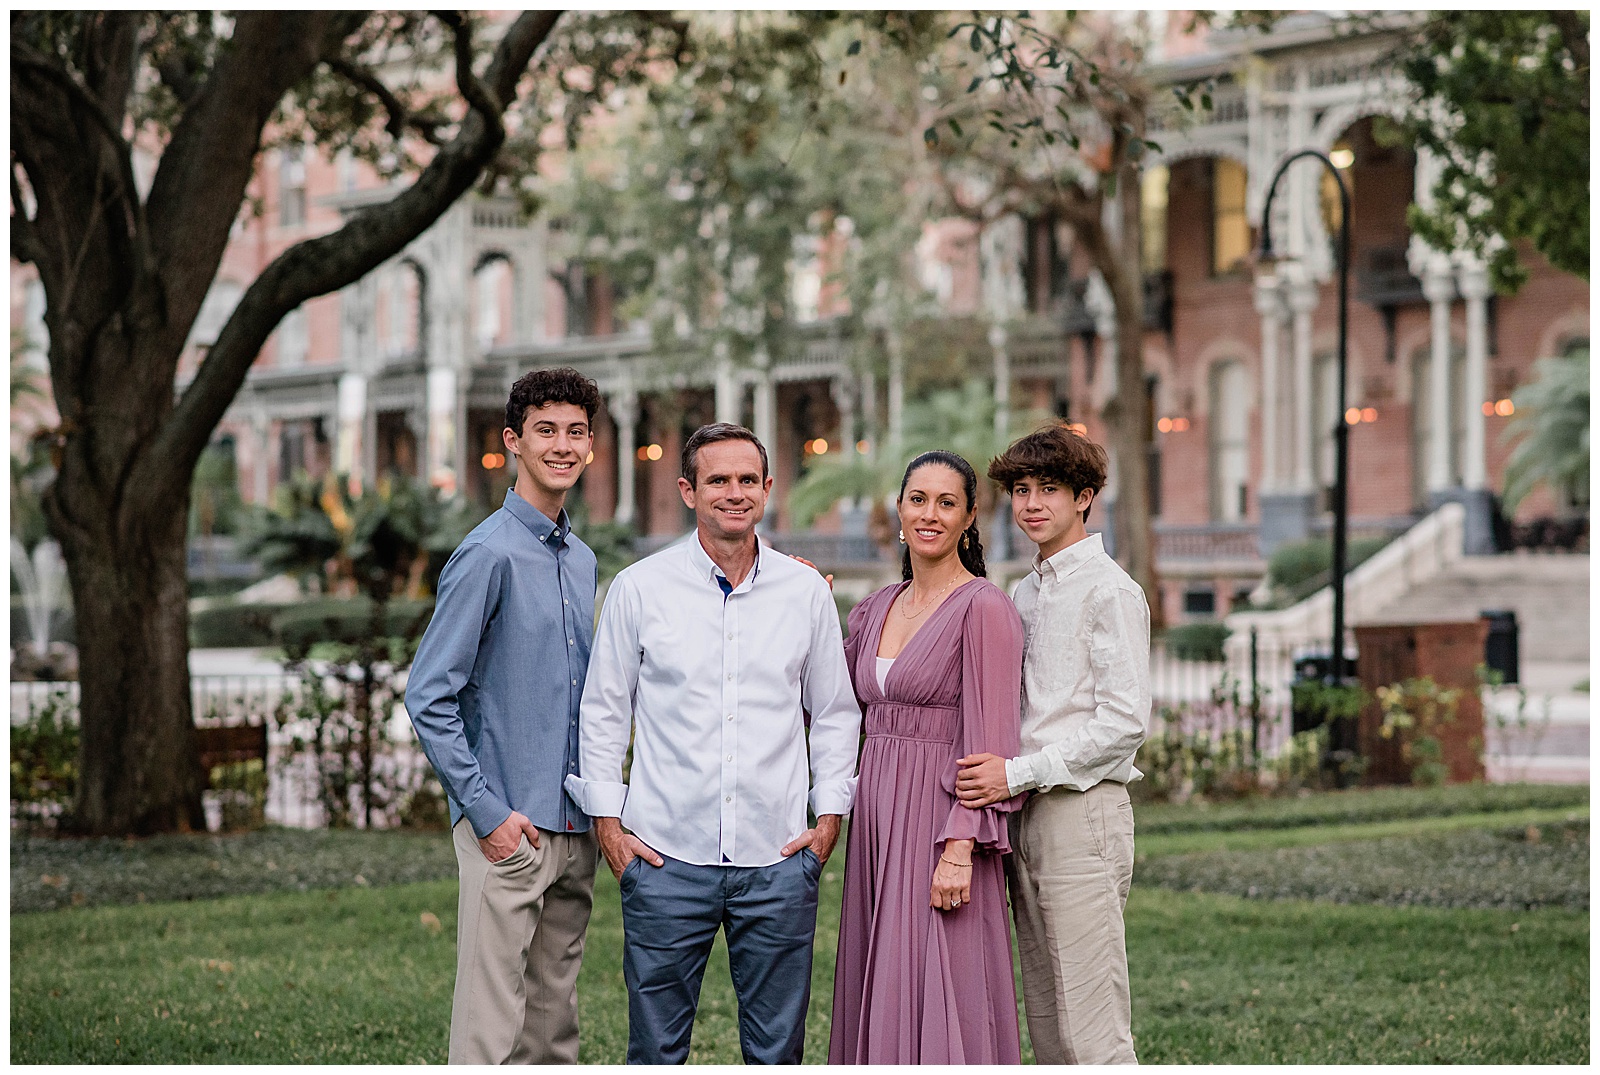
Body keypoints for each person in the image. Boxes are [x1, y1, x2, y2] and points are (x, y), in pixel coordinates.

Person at [565, 422, 861, 1065]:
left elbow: (835, 712)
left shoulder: (805, 591)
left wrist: (828, 818)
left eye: (747, 480)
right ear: (688, 491)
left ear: (768, 489)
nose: (734, 492)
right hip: (664, 856)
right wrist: (610, 828)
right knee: (656, 1050)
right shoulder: (640, 588)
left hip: (777, 859)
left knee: (777, 1051)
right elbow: (604, 711)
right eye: (718, 480)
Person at [404, 367, 602, 1065]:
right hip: (509, 829)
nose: (562, 445)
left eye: (576, 432)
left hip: (574, 831)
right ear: (514, 442)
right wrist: (485, 811)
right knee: (489, 1035)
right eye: (546, 430)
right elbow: (428, 693)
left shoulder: (581, 559)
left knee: (554, 1033)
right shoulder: (487, 553)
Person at [956, 425, 1151, 1065]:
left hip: (1082, 809)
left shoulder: (1110, 590)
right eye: (1021, 490)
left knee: (1092, 1018)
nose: (1033, 503)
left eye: (1050, 490)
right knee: (1046, 1009)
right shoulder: (1027, 590)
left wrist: (1018, 773)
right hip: (1027, 808)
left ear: (1085, 497)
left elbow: (1123, 723)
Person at [829, 450, 1025, 1065]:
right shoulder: (876, 606)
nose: (930, 514)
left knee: (940, 977)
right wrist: (798, 597)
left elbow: (990, 741)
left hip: (940, 818)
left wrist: (960, 848)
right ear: (900, 509)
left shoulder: (985, 607)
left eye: (947, 503)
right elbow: (827, 695)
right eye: (918, 499)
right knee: (880, 969)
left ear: (970, 518)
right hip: (878, 817)